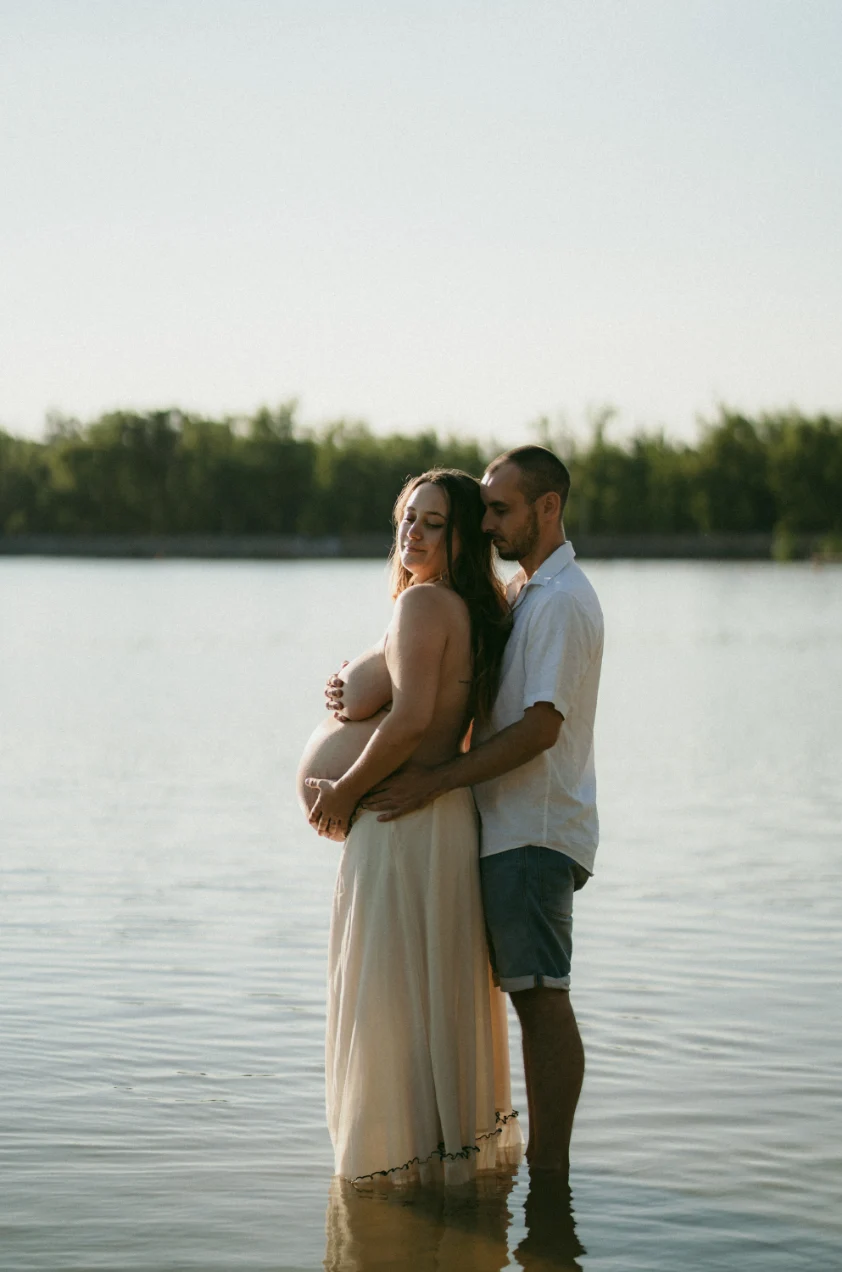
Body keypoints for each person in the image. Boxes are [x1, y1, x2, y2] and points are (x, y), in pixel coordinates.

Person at [359, 446, 604, 1177]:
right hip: (506, 828)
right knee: (529, 997)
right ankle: (536, 1185)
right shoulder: (530, 594)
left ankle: (551, 1172)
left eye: (501, 508)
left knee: (541, 999)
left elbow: (539, 728)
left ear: (547, 507)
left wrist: (435, 780)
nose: (488, 522)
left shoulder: (559, 601)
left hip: (533, 829)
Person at [300, 469, 523, 1186]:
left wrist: (341, 790)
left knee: (390, 1004)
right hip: (427, 825)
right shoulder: (452, 604)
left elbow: (412, 720)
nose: (412, 534)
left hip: (403, 823)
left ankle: (393, 1173)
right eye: (406, 519)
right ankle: (436, 1180)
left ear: (460, 539)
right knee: (418, 1000)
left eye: (431, 522)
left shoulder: (427, 603)